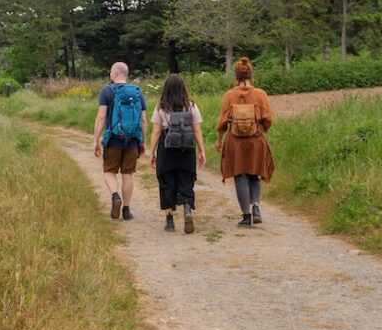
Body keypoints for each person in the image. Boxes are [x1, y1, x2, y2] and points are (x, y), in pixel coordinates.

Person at [216, 57, 275, 226]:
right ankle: (256, 206)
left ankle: (246, 215)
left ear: (236, 76)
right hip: (256, 140)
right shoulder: (260, 94)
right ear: (250, 74)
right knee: (254, 174)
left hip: (235, 142)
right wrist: (260, 130)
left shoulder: (229, 95)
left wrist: (219, 140)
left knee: (240, 175)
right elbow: (268, 119)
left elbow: (222, 122)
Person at [148, 74, 206, 233]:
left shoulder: (161, 107)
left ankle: (170, 221)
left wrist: (151, 153)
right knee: (186, 179)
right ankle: (187, 208)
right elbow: (197, 130)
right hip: (186, 148)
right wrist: (201, 150)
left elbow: (156, 131)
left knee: (167, 181)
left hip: (167, 148)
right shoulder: (191, 106)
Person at [93, 62, 147, 220]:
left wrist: (95, 139)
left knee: (109, 171)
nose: (110, 75)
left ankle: (115, 196)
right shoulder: (137, 92)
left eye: (111, 72)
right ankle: (127, 210)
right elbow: (143, 120)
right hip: (132, 140)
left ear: (115, 73)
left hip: (113, 139)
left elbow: (101, 116)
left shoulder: (107, 91)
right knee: (127, 174)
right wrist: (142, 141)